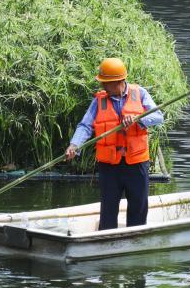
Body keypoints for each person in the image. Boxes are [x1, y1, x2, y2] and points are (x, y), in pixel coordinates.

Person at [65, 57, 164, 231]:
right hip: (109, 166)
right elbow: (85, 125)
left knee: (138, 208)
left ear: (119, 81)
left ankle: (136, 240)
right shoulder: (99, 100)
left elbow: (158, 117)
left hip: (137, 163)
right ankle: (106, 240)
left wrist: (138, 119)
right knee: (108, 210)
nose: (103, 86)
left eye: (106, 83)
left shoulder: (140, 93)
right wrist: (74, 145)